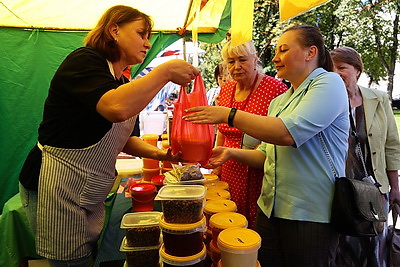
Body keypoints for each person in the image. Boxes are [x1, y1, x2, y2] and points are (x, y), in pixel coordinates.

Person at [18, 5, 198, 266]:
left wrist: (162, 154)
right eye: (141, 34)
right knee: (71, 261)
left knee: (86, 256)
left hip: (86, 187)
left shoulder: (122, 82)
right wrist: (166, 72)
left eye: (149, 37)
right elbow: (115, 108)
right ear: (114, 30)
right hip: (55, 183)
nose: (147, 44)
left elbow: (125, 139)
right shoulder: (85, 60)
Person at [184, 25, 349, 266]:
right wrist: (230, 152)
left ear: (310, 52)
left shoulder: (329, 83)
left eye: (283, 50)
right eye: (275, 50)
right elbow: (266, 154)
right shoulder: (282, 100)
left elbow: (285, 133)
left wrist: (229, 115)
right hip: (270, 209)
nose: (275, 57)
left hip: (309, 214)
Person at [330, 46, 400, 267]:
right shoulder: (326, 102)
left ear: (357, 70)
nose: (336, 73)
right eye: (331, 70)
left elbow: (391, 145)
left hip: (375, 190)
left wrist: (395, 187)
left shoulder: (378, 99)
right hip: (341, 191)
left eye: (342, 67)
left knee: (375, 247)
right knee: (344, 250)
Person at [211, 40, 287, 229]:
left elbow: (278, 134)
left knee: (255, 226)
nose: (236, 67)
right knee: (228, 220)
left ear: (255, 59)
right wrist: (217, 167)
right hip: (228, 167)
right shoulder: (227, 88)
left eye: (242, 60)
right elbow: (222, 130)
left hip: (259, 169)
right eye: (230, 62)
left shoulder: (275, 89)